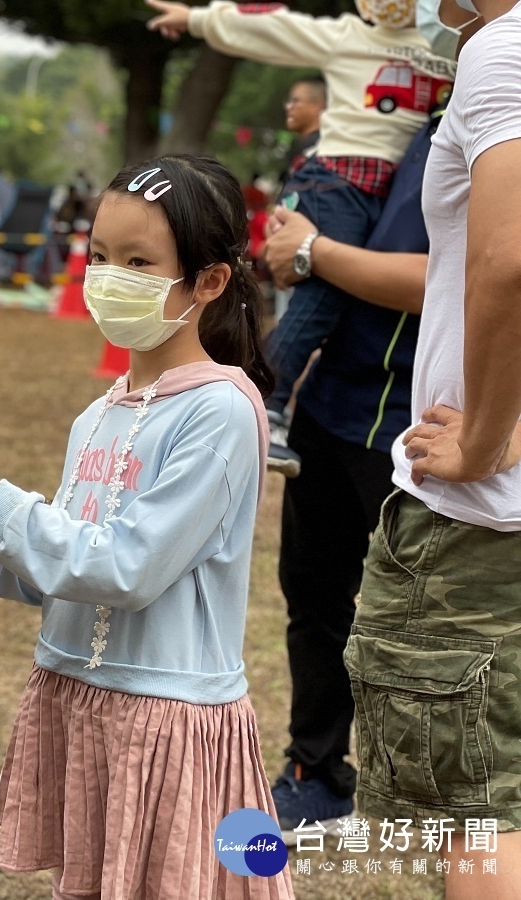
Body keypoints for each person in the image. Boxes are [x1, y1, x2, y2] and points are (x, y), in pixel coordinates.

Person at [0, 155, 292, 899]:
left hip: (165, 719)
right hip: (79, 699)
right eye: (101, 256)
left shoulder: (223, 411)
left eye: (139, 261)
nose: (109, 276)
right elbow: (60, 574)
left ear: (208, 282)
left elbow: (126, 570)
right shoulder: (97, 415)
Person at [254, 3, 470, 836]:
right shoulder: (420, 108)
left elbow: (452, 277)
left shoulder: (498, 122)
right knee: (314, 599)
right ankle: (316, 767)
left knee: (429, 622)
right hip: (333, 401)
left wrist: (313, 252)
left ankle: (443, 794)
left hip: (429, 423)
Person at [343, 0, 521, 893]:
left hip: (487, 535)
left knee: (479, 812)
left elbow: (509, 258)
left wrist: (489, 441)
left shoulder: (504, 47)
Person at [147, 0, 454, 479]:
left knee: (337, 294)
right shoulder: (350, 36)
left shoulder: (448, 47)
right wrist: (198, 20)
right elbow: (275, 28)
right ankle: (264, 402)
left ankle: (249, 394)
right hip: (338, 181)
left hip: (381, 192)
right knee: (322, 297)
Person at [283, 76, 326, 180]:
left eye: (296, 101)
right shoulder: (303, 146)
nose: (288, 107)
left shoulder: (321, 150)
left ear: (318, 107)